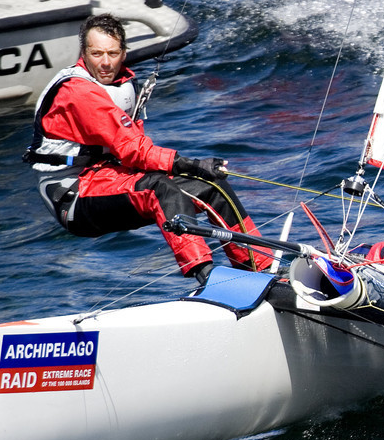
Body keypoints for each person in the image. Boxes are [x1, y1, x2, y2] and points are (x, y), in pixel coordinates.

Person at [25, 14, 272, 284]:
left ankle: (260, 270)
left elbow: (131, 151)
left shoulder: (120, 83)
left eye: (112, 53)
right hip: (73, 194)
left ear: (124, 53)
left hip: (110, 177)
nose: (105, 62)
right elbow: (134, 150)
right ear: (83, 53)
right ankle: (209, 279)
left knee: (212, 187)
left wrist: (197, 171)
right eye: (96, 54)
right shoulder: (79, 92)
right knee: (159, 189)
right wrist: (188, 163)